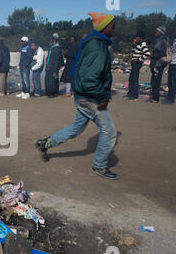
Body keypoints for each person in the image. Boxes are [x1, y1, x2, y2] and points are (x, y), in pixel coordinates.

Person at [36, 13, 118, 180]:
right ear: (103, 27)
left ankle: (45, 143)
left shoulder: (95, 43)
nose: (114, 29)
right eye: (112, 26)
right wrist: (103, 97)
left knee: (76, 128)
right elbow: (90, 79)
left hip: (82, 94)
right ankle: (99, 165)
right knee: (109, 132)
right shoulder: (97, 46)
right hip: (90, 97)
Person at [126, 31, 150, 101]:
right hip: (134, 63)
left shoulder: (143, 44)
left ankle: (134, 95)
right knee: (131, 78)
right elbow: (134, 52)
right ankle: (131, 92)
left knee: (135, 79)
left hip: (137, 64)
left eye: (137, 37)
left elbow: (147, 53)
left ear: (140, 38)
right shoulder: (137, 44)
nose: (135, 38)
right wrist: (133, 45)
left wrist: (138, 59)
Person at [149, 26, 169, 103]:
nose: (155, 33)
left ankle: (155, 98)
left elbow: (162, 53)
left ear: (160, 33)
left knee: (156, 81)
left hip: (158, 64)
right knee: (153, 81)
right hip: (155, 64)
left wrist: (152, 55)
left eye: (156, 31)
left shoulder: (162, 41)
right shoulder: (158, 41)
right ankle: (154, 96)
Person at [44, 33, 64, 98]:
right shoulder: (52, 47)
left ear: (54, 40)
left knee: (52, 81)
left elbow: (57, 60)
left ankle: (52, 93)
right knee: (50, 80)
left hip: (53, 68)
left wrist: (55, 71)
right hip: (49, 66)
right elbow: (49, 57)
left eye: (51, 39)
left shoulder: (57, 48)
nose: (50, 40)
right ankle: (53, 92)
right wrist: (46, 66)